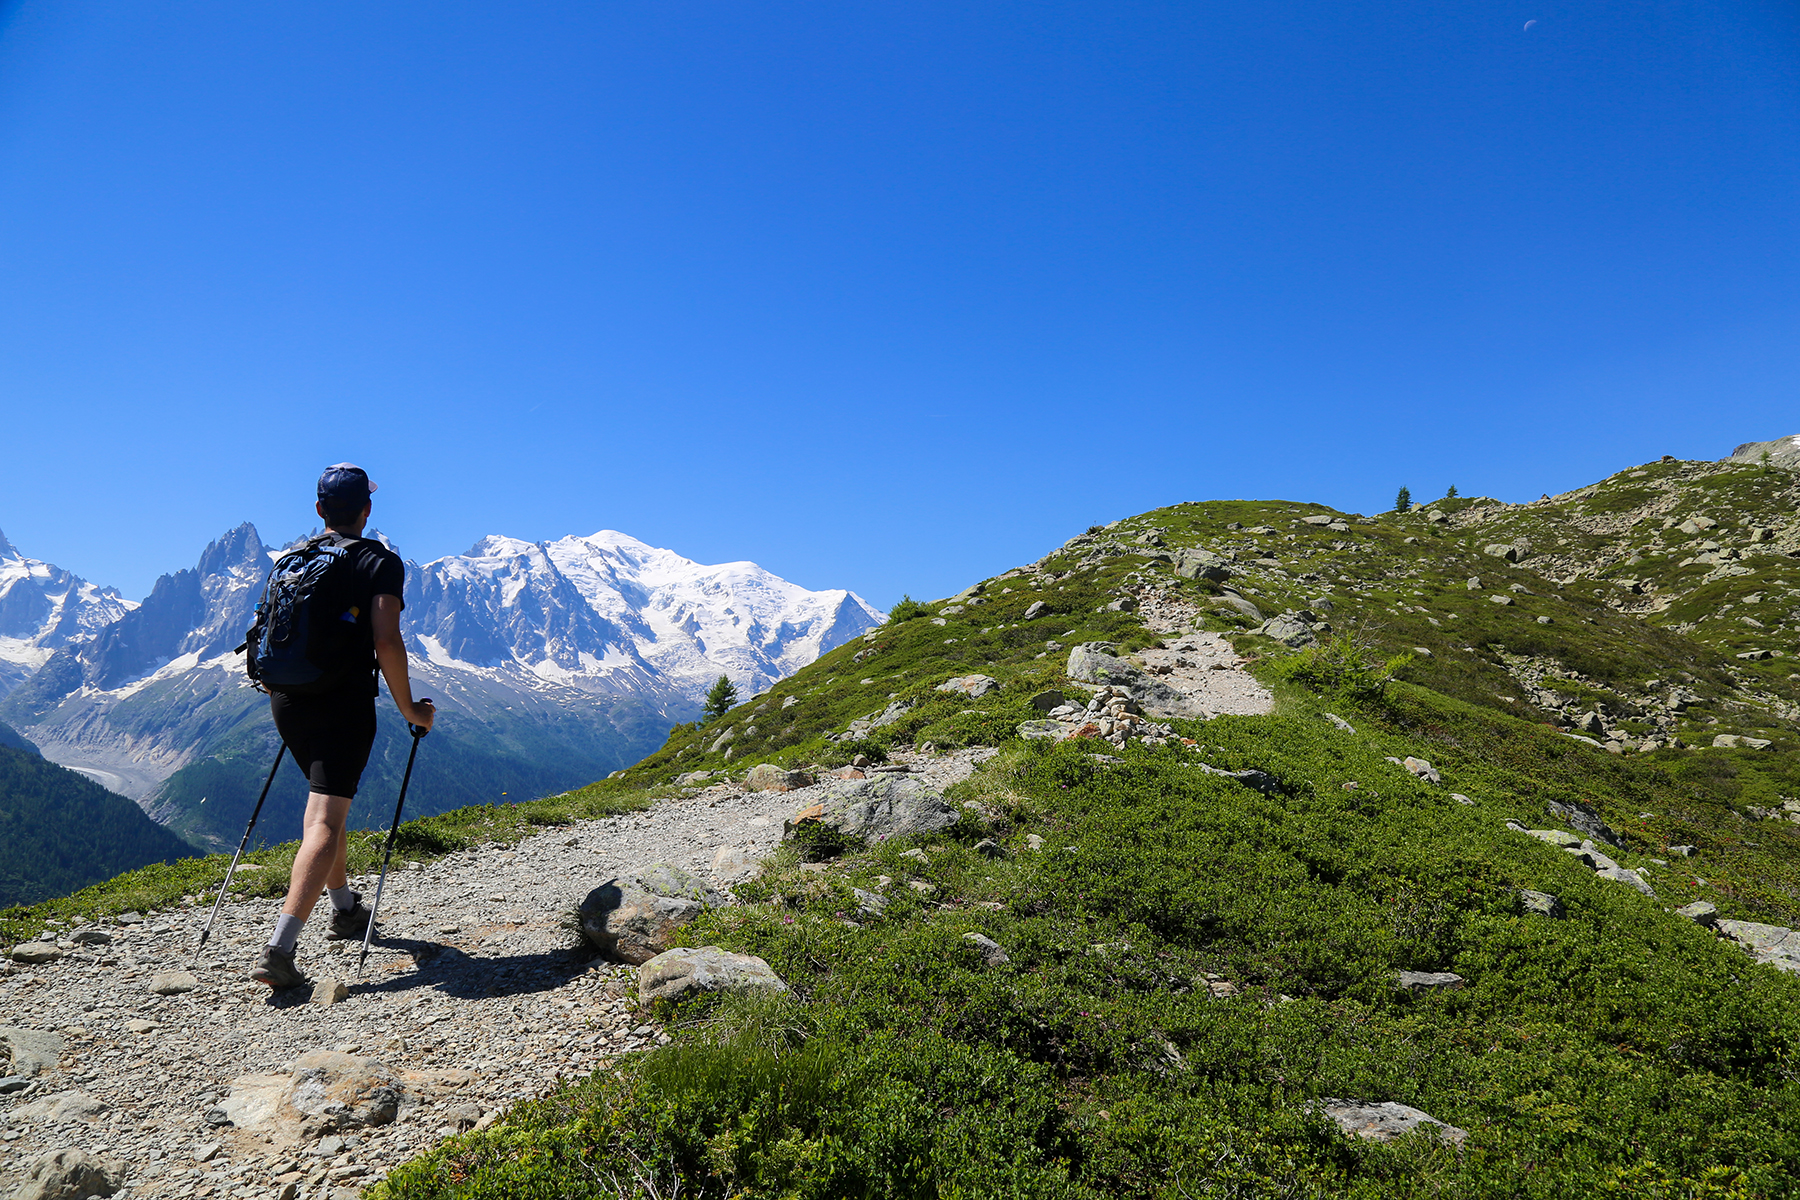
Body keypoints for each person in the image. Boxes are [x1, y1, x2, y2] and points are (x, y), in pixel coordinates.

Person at [252, 464, 436, 988]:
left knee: (327, 805)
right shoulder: (378, 562)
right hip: (342, 704)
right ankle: (279, 950)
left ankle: (345, 908)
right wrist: (409, 709)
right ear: (367, 509)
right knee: (325, 823)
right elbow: (387, 642)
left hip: (287, 700)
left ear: (318, 510)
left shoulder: (292, 560)